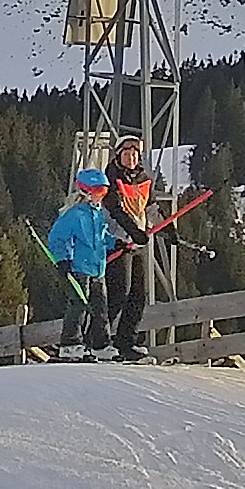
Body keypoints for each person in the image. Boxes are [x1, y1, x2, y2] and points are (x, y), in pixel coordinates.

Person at [102, 134, 162, 360]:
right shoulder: (111, 177)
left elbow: (152, 207)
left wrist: (167, 229)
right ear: (119, 155)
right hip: (118, 241)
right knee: (119, 293)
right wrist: (133, 231)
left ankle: (126, 340)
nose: (131, 158)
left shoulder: (143, 178)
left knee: (139, 295)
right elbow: (115, 209)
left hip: (137, 242)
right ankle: (97, 339)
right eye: (127, 153)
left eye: (135, 154)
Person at [43, 169, 112, 360]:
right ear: (86, 191)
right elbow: (57, 238)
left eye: (105, 191)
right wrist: (62, 259)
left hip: (98, 269)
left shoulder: (98, 214)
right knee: (78, 305)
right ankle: (70, 343)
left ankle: (100, 344)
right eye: (99, 191)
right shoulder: (74, 214)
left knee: (100, 307)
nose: (102, 196)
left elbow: (102, 237)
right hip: (79, 268)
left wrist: (116, 243)